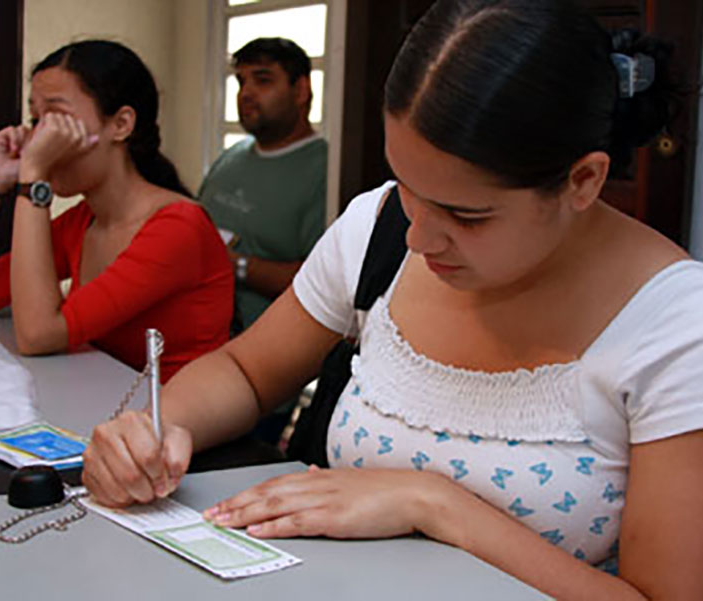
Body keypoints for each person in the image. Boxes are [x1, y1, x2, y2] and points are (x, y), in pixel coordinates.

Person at [82, 2, 703, 599]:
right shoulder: (375, 227)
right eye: (408, 187)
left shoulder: (673, 326)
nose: (419, 237)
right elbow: (246, 372)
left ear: (583, 181)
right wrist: (159, 431)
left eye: (467, 215)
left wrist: (431, 503)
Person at [0, 40, 233, 382]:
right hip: (101, 408)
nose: (40, 138)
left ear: (121, 124)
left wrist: (32, 178)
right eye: (36, 120)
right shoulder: (84, 220)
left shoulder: (179, 227)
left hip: (176, 425)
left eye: (57, 119)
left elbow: (38, 335)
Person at [198, 37, 327, 335]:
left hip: (259, 350)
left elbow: (321, 282)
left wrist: (236, 266)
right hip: (194, 333)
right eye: (242, 82)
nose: (246, 93)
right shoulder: (231, 156)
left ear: (301, 90)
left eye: (263, 80)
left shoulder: (325, 169)